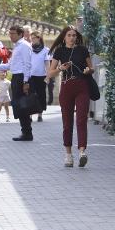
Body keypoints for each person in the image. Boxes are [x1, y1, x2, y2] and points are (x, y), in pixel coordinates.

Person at [48, 26, 94, 168]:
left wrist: (88, 70)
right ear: (64, 37)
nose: (72, 37)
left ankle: (82, 152)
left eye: (74, 35)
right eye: (69, 35)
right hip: (66, 87)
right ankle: (68, 154)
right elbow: (50, 73)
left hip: (82, 86)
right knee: (67, 122)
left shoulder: (83, 50)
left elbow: (91, 68)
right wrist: (61, 68)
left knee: (81, 119)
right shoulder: (59, 51)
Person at [0, 26, 32, 140]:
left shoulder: (25, 46)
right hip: (16, 77)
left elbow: (28, 64)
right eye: (10, 33)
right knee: (19, 105)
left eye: (13, 33)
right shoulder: (17, 46)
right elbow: (10, 65)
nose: (10, 35)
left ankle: (27, 133)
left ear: (20, 34)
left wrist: (26, 81)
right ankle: (25, 132)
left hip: (22, 77)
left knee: (22, 106)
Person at [30, 31, 50, 122]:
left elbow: (47, 63)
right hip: (31, 76)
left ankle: (40, 114)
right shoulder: (29, 49)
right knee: (31, 95)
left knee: (41, 95)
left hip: (41, 76)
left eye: (34, 38)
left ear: (39, 38)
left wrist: (48, 76)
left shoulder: (46, 50)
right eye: (31, 38)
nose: (32, 40)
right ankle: (29, 115)